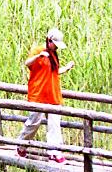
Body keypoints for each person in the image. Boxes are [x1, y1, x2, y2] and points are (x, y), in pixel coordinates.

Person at [16, 28, 73, 162]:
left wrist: (66, 68)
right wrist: (38, 56)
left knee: (54, 125)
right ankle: (20, 145)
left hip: (53, 94)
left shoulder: (54, 55)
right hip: (39, 94)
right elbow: (27, 63)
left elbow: (53, 72)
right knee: (33, 123)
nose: (56, 47)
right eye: (55, 44)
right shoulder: (38, 50)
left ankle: (54, 152)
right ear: (49, 41)